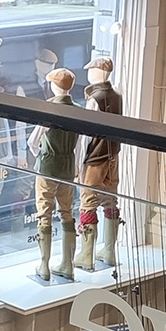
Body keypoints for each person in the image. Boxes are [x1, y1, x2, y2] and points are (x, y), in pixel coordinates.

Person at [29, 67, 79, 282]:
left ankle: (44, 264)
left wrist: (41, 154)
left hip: (48, 167)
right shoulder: (78, 109)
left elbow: (33, 141)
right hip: (68, 166)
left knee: (44, 213)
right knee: (67, 212)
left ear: (54, 86)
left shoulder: (49, 109)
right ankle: (68, 264)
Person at [74, 56, 123, 272]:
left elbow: (86, 135)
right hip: (114, 154)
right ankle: (109, 250)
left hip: (95, 158)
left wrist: (78, 164)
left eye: (91, 70)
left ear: (97, 72)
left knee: (88, 201)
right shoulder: (117, 96)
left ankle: (87, 254)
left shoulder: (95, 99)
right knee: (110, 200)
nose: (89, 74)